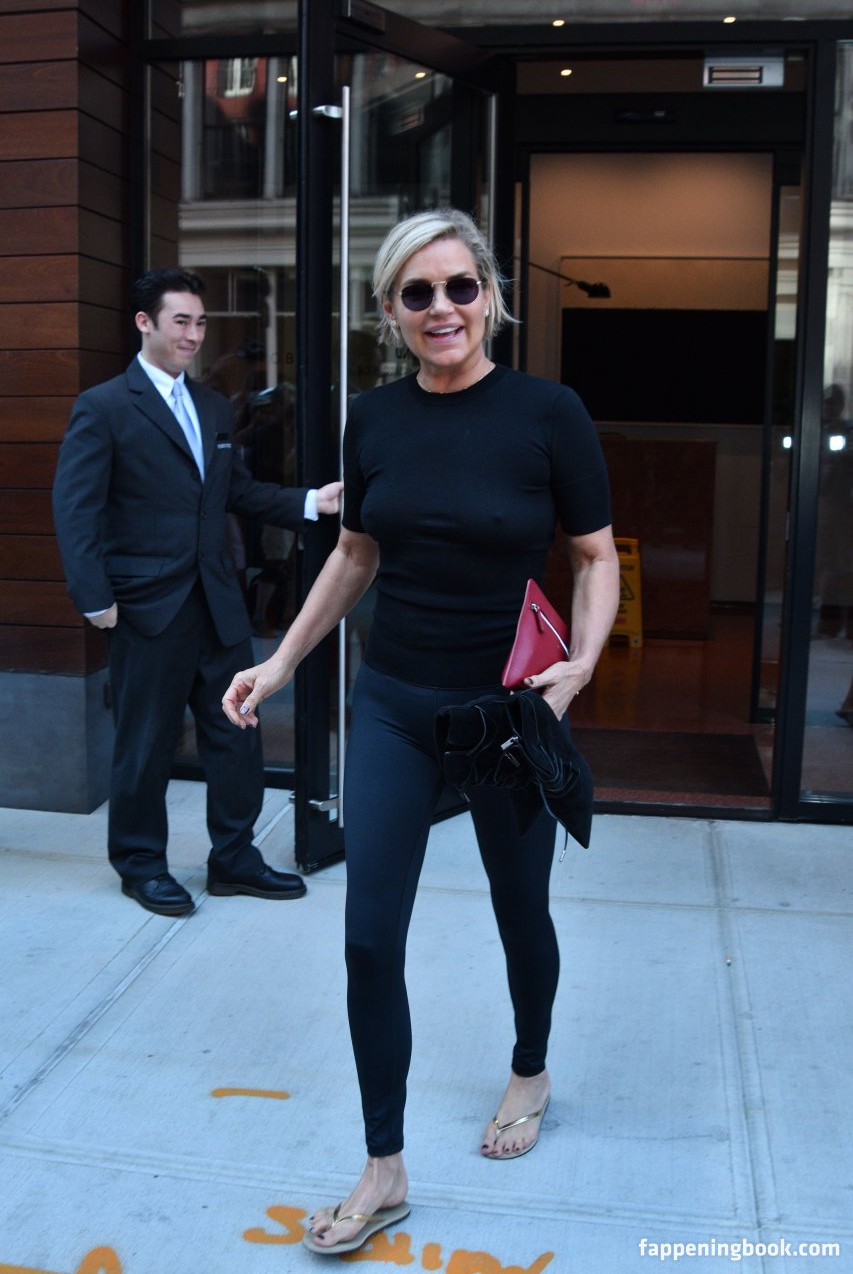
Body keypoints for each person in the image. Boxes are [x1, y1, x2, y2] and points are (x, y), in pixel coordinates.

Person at [222, 209, 620, 1254]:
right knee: (367, 937)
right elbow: (354, 554)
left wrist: (578, 667)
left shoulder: (548, 413)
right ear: (390, 311)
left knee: (518, 908)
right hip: (395, 704)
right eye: (417, 293)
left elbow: (594, 555)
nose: (441, 308)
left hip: (506, 714)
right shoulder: (373, 419)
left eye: (458, 287)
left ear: (489, 294)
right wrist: (281, 660)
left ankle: (529, 1066)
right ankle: (383, 1165)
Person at [52, 268, 342, 919]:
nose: (193, 334)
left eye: (200, 322)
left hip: (217, 604)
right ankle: (140, 865)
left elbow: (234, 491)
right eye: (180, 320)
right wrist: (94, 598)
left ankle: (234, 859)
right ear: (145, 323)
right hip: (146, 609)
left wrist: (309, 502)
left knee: (235, 734)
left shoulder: (212, 406)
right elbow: (75, 508)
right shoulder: (104, 406)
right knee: (145, 742)